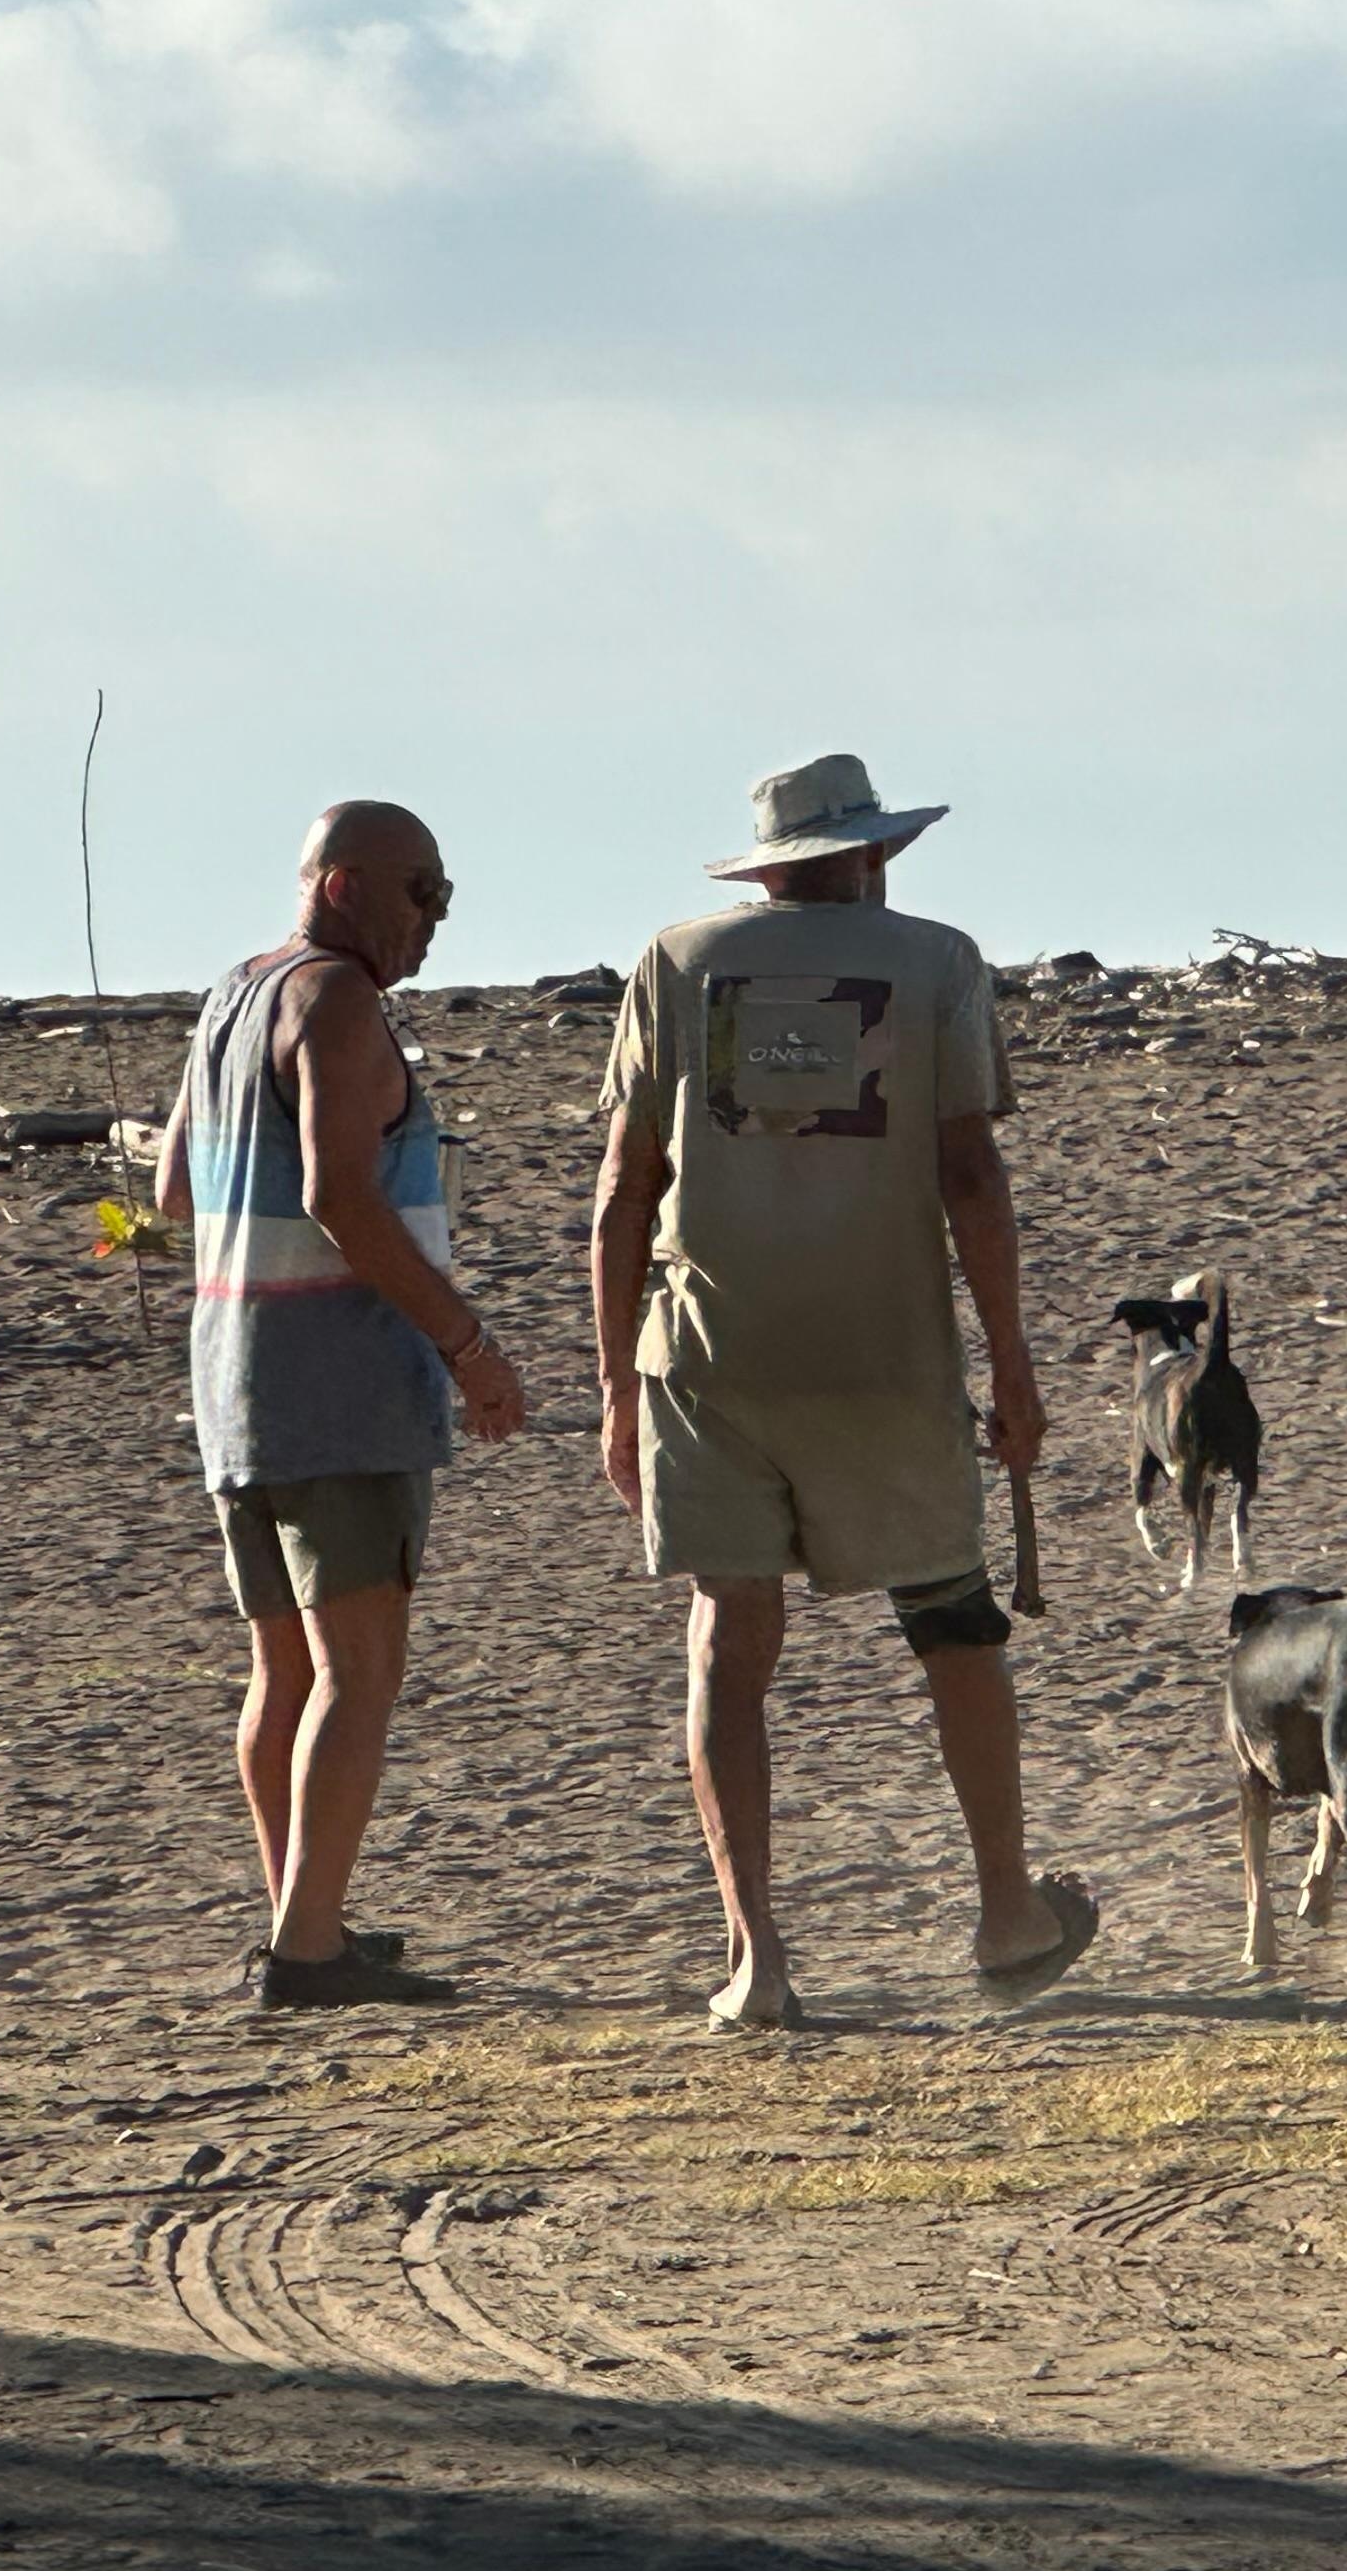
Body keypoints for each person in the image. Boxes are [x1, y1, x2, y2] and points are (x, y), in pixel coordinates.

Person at [590, 754, 1094, 2030]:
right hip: (885, 1353)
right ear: (875, 856)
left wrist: (610, 1385)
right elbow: (970, 1177)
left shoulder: (675, 962)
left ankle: (758, 1956)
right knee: (953, 1617)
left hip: (707, 1354)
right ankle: (1005, 1912)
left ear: (766, 868)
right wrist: (1015, 1363)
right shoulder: (937, 963)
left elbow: (619, 1195)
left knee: (730, 1632)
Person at [158, 802, 530, 2008]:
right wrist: (467, 1344)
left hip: (235, 1378)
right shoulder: (336, 1002)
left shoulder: (234, 993)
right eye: (426, 890)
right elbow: (342, 1197)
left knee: (286, 1673)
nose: (437, 918)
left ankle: (298, 1920)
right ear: (346, 885)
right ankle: (309, 1951)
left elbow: (171, 1188)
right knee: (357, 1670)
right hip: (338, 1383)